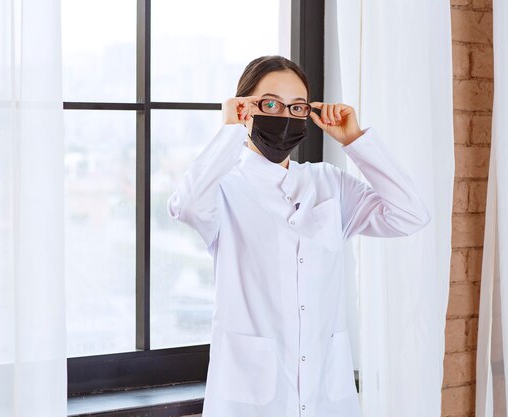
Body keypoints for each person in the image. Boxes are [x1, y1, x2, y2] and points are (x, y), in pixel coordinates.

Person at [166, 55, 431, 417]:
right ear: (245, 108)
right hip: (252, 396)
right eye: (271, 104)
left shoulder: (329, 182)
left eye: (297, 107)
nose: (285, 117)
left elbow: (410, 214)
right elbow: (186, 205)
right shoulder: (225, 187)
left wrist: (354, 140)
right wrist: (229, 130)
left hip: (327, 393)